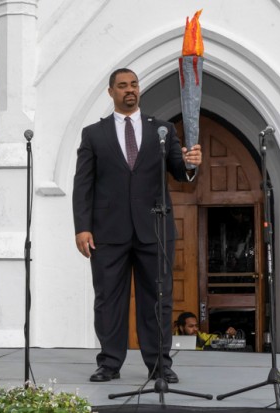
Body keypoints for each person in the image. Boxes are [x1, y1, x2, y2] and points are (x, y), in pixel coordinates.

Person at [72, 68, 203, 383]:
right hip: (107, 231)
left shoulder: (162, 130)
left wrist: (191, 164)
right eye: (122, 86)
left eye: (133, 84)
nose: (129, 90)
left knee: (158, 299)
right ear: (111, 92)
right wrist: (82, 227)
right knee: (108, 301)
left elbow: (179, 170)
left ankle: (160, 365)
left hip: (154, 229)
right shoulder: (94, 134)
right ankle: (109, 364)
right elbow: (83, 184)